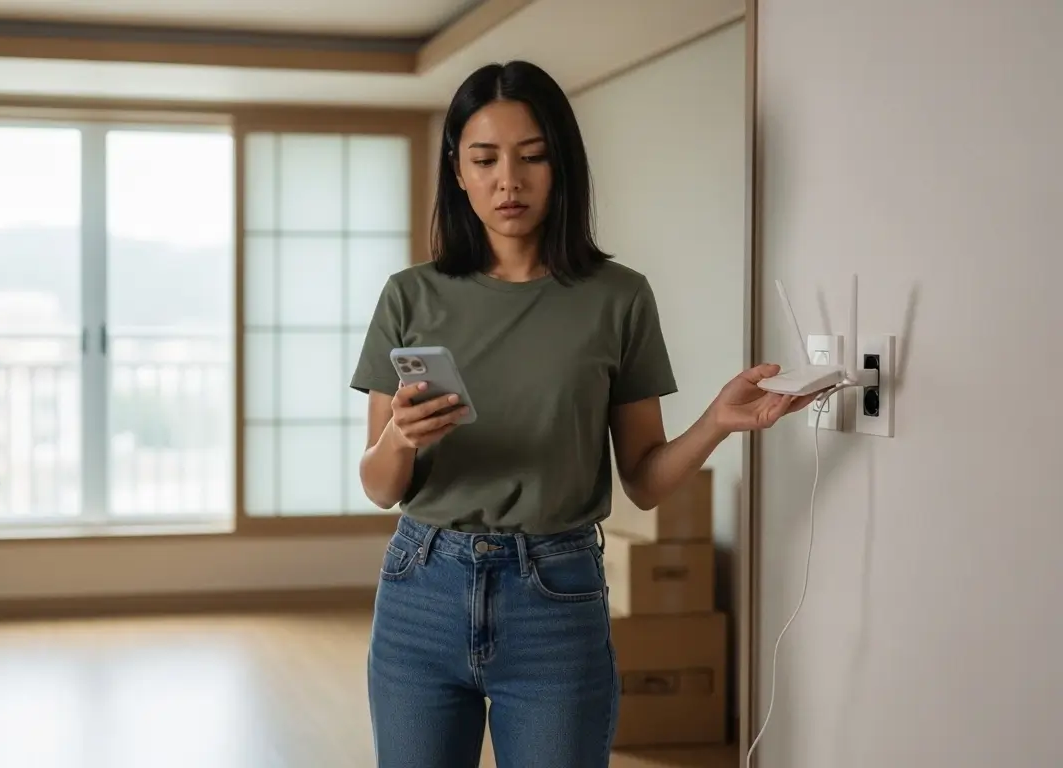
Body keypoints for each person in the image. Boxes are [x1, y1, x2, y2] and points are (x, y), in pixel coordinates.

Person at [348, 60, 814, 768]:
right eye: (485, 159)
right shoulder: (409, 296)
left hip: (555, 596)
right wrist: (400, 438)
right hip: (422, 589)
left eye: (532, 156)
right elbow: (380, 486)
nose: (509, 180)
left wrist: (717, 421)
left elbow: (645, 481)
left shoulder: (618, 298)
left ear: (561, 164)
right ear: (458, 171)